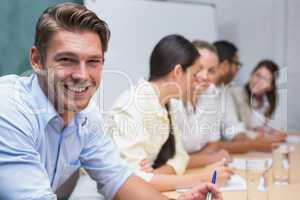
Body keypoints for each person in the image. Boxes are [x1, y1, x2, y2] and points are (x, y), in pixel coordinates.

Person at [0, 3, 222, 200]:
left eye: (93, 61)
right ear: (37, 60)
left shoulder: (86, 116)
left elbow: (118, 179)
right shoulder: (10, 107)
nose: (82, 75)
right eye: (67, 60)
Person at [105, 35, 233, 192]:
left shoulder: (168, 103)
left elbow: (180, 158)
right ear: (178, 72)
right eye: (194, 75)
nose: (196, 82)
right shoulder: (132, 104)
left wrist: (154, 175)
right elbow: (129, 183)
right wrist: (203, 177)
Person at [171, 40, 271, 170]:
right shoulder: (171, 101)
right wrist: (209, 158)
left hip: (194, 169)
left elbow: (213, 145)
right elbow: (171, 160)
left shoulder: (210, 96)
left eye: (211, 71)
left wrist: (197, 158)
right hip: (178, 174)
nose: (204, 76)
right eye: (199, 68)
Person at [231, 60, 287, 142]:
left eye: (265, 79)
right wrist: (263, 137)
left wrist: (271, 131)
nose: (258, 82)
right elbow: (234, 131)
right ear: (251, 75)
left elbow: (259, 127)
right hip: (241, 145)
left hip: (256, 146)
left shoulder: (268, 101)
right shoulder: (236, 95)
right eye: (257, 75)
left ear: (270, 86)